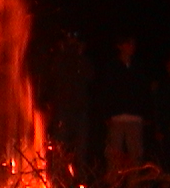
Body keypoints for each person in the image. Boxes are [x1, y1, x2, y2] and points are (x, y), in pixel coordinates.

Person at [46, 30, 95, 178]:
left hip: (78, 110)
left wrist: (79, 55)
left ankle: (78, 185)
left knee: (79, 151)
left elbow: (90, 76)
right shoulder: (60, 59)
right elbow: (53, 77)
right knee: (61, 149)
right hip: (64, 110)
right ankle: (58, 182)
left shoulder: (81, 61)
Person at [99, 35, 147, 172]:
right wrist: (107, 114)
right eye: (128, 43)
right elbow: (106, 91)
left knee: (136, 155)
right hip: (116, 117)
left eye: (133, 44)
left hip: (135, 117)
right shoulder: (112, 67)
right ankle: (113, 187)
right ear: (120, 46)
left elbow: (143, 91)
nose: (131, 47)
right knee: (114, 154)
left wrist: (144, 114)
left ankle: (135, 187)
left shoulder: (138, 66)